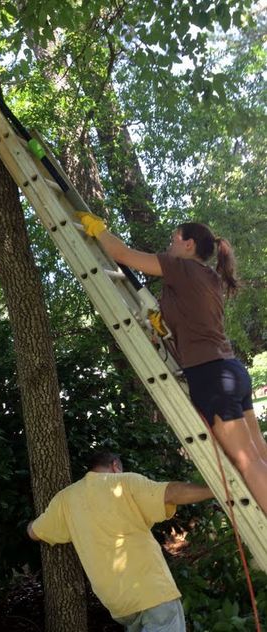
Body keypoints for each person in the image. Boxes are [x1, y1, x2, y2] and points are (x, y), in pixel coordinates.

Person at [76, 213, 267, 515]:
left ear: (188, 244)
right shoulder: (208, 277)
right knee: (260, 454)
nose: (168, 244)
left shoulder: (181, 268)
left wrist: (99, 229)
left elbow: (121, 254)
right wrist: (162, 327)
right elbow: (190, 322)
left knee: (248, 462)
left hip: (211, 376)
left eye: (173, 239)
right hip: (231, 371)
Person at [28, 449, 214, 631]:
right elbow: (170, 494)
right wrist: (214, 491)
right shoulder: (124, 483)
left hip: (118, 605)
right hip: (151, 592)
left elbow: (34, 532)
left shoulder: (65, 499)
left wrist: (30, 525)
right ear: (115, 466)